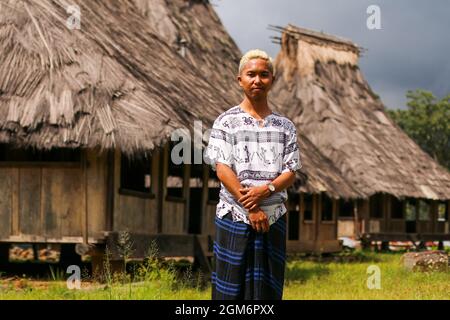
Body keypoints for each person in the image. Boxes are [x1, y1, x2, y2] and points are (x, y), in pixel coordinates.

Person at [205, 49, 301, 300]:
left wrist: (266, 190)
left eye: (264, 75)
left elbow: (291, 171)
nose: (257, 80)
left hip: (274, 216)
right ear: (240, 80)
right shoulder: (226, 122)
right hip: (234, 214)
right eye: (251, 74)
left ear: (272, 79)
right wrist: (251, 206)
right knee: (229, 286)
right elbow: (222, 168)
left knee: (267, 289)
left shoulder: (285, 126)